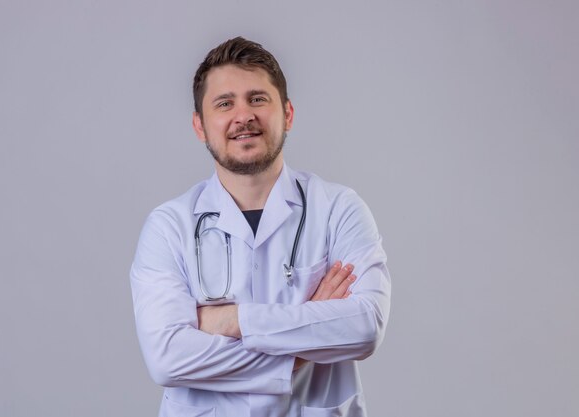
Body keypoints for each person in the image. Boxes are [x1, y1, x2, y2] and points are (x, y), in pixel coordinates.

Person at [130, 36, 391, 417]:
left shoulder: (338, 209)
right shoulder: (169, 227)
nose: (243, 116)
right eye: (224, 104)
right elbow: (167, 359)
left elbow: (365, 326)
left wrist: (232, 320)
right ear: (200, 126)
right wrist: (301, 346)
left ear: (287, 114)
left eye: (257, 99)